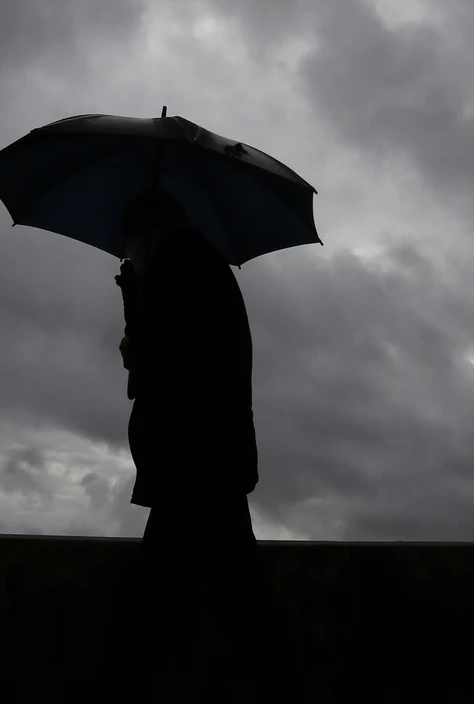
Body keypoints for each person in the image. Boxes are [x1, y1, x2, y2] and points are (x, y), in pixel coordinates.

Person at [98, 190, 299, 701]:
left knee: (154, 613)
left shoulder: (180, 269)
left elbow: (162, 365)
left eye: (131, 241)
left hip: (192, 467)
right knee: (236, 609)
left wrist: (135, 316)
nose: (128, 251)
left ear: (146, 232)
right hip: (205, 466)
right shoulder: (191, 266)